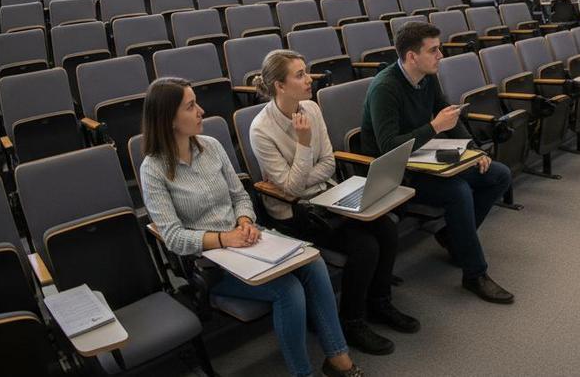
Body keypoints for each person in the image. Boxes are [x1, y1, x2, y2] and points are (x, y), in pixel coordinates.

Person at [139, 77, 364, 377]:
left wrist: (244, 220)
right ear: (167, 119)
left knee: (315, 265)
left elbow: (240, 196)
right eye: (191, 106)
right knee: (289, 291)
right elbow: (173, 237)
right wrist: (224, 238)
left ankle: (339, 359)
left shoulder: (212, 146)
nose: (201, 111)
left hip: (249, 240)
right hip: (212, 263)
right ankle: (303, 374)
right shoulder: (153, 169)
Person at [249, 49, 420, 356]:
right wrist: (302, 145)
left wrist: (308, 175)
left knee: (386, 229)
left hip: (328, 195)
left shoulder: (312, 109)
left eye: (307, 71)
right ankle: (352, 321)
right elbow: (290, 189)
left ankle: (379, 303)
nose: (309, 79)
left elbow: (329, 162)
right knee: (364, 247)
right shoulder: (261, 129)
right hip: (294, 211)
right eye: (300, 74)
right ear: (279, 86)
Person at [358, 21, 515, 304]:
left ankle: (452, 238)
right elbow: (388, 147)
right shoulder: (385, 88)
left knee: (499, 174)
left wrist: (476, 150)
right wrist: (433, 127)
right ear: (411, 57)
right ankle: (474, 274)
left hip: (427, 161)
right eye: (433, 50)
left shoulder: (428, 77)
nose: (440, 56)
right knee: (458, 191)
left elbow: (449, 118)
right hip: (397, 173)